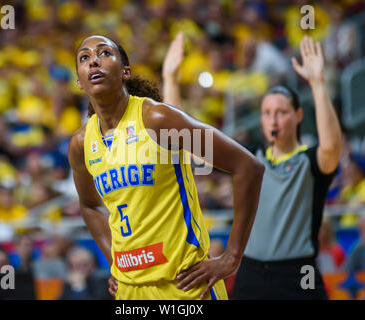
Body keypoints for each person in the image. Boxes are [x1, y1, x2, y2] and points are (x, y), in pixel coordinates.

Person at [68, 35, 265, 300]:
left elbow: (247, 166)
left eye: (104, 53)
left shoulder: (157, 120)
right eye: (84, 57)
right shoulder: (81, 144)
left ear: (125, 71)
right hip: (130, 292)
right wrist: (114, 259)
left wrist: (232, 256)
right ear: (80, 81)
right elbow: (89, 205)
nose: (93, 61)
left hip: (185, 286)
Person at [163, 35, 342, 299]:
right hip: (249, 271)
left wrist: (317, 82)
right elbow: (188, 143)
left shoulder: (310, 159)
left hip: (298, 272)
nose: (274, 119)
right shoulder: (247, 161)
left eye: (282, 112)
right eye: (267, 112)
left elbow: (331, 148)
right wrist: (170, 79)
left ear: (298, 115)